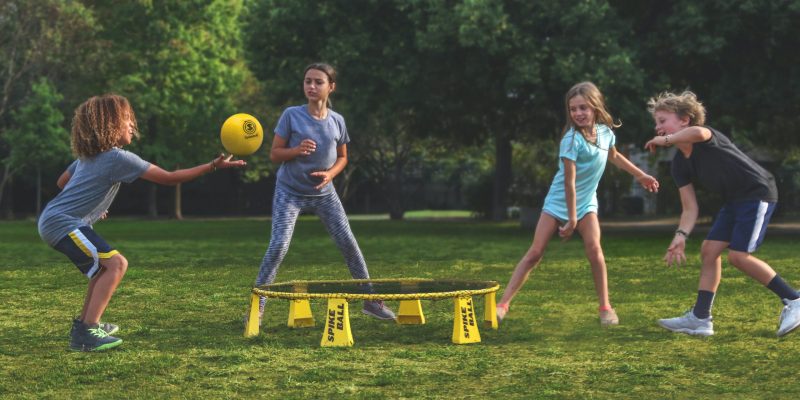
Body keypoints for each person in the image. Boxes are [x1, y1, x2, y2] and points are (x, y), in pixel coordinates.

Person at [38, 94, 245, 352]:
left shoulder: (87, 157)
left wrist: (91, 205)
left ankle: (85, 325)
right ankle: (88, 332)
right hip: (63, 223)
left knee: (104, 268)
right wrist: (212, 165)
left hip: (57, 219)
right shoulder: (118, 158)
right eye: (127, 120)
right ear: (110, 125)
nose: (132, 126)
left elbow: (62, 182)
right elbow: (170, 178)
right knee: (116, 264)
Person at [496, 82, 659, 327]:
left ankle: (605, 308)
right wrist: (571, 219)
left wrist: (640, 175)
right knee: (535, 253)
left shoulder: (605, 133)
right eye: (573, 109)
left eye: (583, 107)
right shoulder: (571, 140)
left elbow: (613, 156)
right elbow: (568, 184)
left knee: (595, 250)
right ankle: (502, 305)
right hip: (559, 201)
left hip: (586, 203)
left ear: (595, 107)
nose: (578, 113)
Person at [644, 91, 800, 337]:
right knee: (709, 250)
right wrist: (681, 235)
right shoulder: (679, 164)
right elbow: (690, 207)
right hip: (734, 201)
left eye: (663, 120)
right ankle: (700, 318)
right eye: (657, 123)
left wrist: (664, 140)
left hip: (757, 193)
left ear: (684, 119)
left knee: (738, 256)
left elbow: (698, 132)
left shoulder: (705, 136)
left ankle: (794, 300)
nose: (657, 127)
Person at [251, 63, 395, 322]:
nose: (312, 86)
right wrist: (295, 151)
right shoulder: (291, 116)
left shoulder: (337, 120)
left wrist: (330, 174)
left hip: (325, 194)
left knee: (349, 244)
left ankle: (370, 301)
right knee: (279, 247)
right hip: (290, 191)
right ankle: (258, 305)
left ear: (331, 87)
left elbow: (342, 158)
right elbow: (274, 154)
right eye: (308, 81)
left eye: (318, 82)